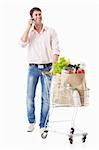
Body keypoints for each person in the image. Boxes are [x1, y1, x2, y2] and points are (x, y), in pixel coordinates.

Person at [20, 7, 60, 134]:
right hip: (33, 69)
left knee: (46, 98)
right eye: (36, 15)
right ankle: (31, 122)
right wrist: (28, 27)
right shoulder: (30, 33)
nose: (38, 16)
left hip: (47, 68)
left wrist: (54, 66)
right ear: (32, 17)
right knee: (30, 96)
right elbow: (22, 43)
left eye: (39, 14)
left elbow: (56, 50)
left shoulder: (50, 31)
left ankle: (43, 124)